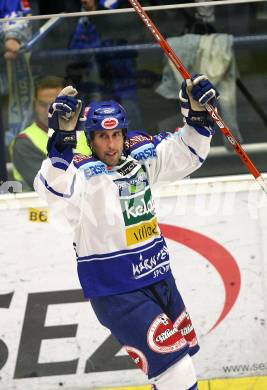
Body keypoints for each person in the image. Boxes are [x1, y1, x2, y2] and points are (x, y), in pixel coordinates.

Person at [34, 74, 219, 390]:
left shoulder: (139, 156)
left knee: (179, 365)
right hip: (116, 289)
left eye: (117, 135)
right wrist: (59, 143)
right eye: (102, 138)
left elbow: (185, 153)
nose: (111, 144)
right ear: (89, 139)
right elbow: (51, 189)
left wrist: (196, 114)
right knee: (176, 369)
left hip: (159, 276)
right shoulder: (80, 172)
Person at [68, 0, 143, 130]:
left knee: (130, 130)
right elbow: (76, 53)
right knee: (90, 132)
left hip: (122, 87)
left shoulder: (120, 7)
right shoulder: (81, 17)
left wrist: (95, 12)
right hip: (94, 88)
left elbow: (127, 32)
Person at [12, 76, 90, 191]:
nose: (49, 110)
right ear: (35, 105)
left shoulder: (85, 132)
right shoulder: (24, 141)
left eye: (55, 104)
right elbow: (51, 187)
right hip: (43, 207)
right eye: (43, 105)